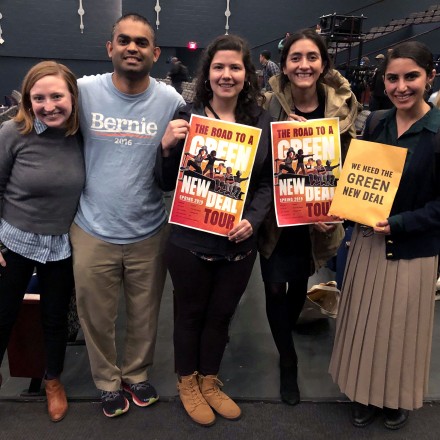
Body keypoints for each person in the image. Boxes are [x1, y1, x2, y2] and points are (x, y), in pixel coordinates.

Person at [69, 13, 185, 418]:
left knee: (145, 313)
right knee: (95, 314)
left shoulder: (171, 101)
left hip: (149, 227)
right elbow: (39, 111)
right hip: (92, 227)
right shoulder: (83, 91)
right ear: (110, 48)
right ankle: (106, 380)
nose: (132, 47)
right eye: (124, 40)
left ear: (155, 53)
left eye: (141, 42)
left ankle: (136, 373)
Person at [155, 34, 272, 427]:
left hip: (238, 242)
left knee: (222, 315)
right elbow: (164, 182)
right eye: (219, 67)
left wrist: (253, 219)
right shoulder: (187, 116)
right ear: (208, 73)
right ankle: (187, 382)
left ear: (246, 74)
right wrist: (166, 148)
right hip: (190, 241)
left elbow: (266, 183)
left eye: (235, 67)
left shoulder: (260, 120)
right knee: (189, 314)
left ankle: (209, 380)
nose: (227, 74)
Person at [329, 41, 440, 431]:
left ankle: (394, 398)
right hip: (367, 243)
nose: (401, 86)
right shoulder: (376, 122)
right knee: (361, 323)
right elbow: (359, 179)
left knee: (400, 330)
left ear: (429, 77)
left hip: (413, 248)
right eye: (393, 78)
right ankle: (362, 392)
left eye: (411, 77)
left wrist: (401, 223)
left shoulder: (437, 132)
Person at [259, 28, 358, 405]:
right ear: (284, 66)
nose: (304, 65)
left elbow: (350, 164)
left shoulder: (342, 107)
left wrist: (337, 209)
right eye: (295, 58)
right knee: (273, 288)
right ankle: (288, 360)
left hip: (316, 220)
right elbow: (252, 160)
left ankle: (287, 333)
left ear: (323, 63)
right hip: (274, 218)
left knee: (299, 285)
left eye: (311, 57)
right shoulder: (267, 104)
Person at [0, 61, 85, 422]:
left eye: (57, 97)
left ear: (72, 97)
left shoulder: (81, 135)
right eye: (39, 98)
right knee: (3, 314)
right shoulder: (12, 133)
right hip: (14, 241)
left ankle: (52, 381)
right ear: (28, 101)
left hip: (61, 245)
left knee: (54, 318)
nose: (48, 106)